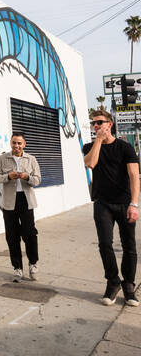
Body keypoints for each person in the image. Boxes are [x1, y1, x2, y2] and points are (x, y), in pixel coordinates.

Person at [83, 109, 139, 306]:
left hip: (124, 203)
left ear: (110, 124)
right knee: (105, 244)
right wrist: (98, 140)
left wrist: (134, 203)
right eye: (94, 123)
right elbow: (90, 164)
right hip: (102, 203)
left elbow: (134, 176)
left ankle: (129, 285)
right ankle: (113, 281)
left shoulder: (125, 147)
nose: (96, 126)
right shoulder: (90, 146)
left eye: (100, 122)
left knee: (129, 246)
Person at [0, 132, 41, 282]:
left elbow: (38, 180)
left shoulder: (31, 159)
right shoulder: (2, 159)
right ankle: (17, 268)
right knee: (12, 236)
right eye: (14, 143)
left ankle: (33, 263)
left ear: (24, 144)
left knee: (30, 234)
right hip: (9, 202)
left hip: (26, 201)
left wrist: (27, 177)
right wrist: (8, 176)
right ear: (10, 143)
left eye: (19, 143)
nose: (16, 146)